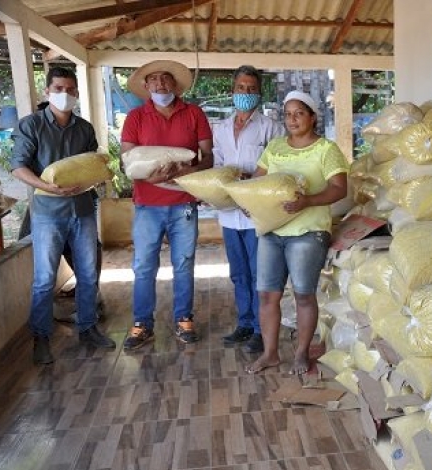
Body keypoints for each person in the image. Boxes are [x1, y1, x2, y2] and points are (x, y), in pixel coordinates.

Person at [9, 67, 116, 364]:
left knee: (87, 273)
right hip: (47, 214)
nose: (65, 94)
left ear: (77, 93)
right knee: (44, 279)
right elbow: (18, 167)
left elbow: (95, 165)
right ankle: (41, 338)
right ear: (47, 91)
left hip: (82, 211)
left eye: (70, 89)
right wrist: (47, 187)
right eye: (58, 88)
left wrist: (95, 180)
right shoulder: (31, 126)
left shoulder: (84, 128)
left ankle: (88, 327)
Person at [246, 90, 348, 376]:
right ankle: (270, 354)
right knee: (267, 295)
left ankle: (301, 353)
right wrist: (250, 202)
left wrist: (308, 201)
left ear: (312, 117)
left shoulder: (326, 149)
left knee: (303, 295)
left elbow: (340, 189)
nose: (292, 119)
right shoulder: (275, 147)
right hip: (271, 231)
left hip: (307, 233)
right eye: (288, 114)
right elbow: (258, 181)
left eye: (299, 113)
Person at [120, 60, 213, 350]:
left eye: (166, 79)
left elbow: (208, 156)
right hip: (148, 204)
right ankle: (142, 324)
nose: (160, 84)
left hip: (184, 202)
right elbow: (128, 161)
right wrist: (151, 174)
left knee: (183, 264)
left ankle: (184, 318)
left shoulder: (194, 113)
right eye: (154, 80)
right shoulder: (136, 117)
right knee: (144, 266)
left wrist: (190, 172)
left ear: (175, 84)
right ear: (146, 86)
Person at [212, 65, 283, 352]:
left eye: (251, 89)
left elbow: (277, 168)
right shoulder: (221, 129)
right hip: (229, 213)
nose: (246, 93)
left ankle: (259, 329)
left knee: (258, 273)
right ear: (233, 91)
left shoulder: (271, 128)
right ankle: (244, 322)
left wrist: (251, 187)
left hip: (255, 213)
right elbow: (217, 165)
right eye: (241, 88)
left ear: (259, 93)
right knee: (238, 272)